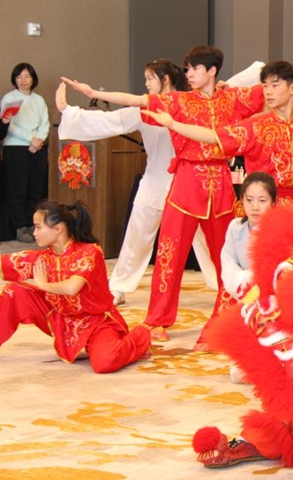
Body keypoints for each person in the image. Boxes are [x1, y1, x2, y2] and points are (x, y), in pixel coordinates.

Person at [62, 45, 265, 350]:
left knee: (228, 256)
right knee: (169, 255)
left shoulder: (233, 98)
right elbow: (138, 101)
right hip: (185, 184)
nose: (189, 74)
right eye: (187, 69)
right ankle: (157, 319)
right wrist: (93, 92)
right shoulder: (179, 101)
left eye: (195, 68)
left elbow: (270, 87)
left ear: (211, 71)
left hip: (221, 185)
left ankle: (225, 319)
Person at [56, 59, 218, 307]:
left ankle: (225, 286)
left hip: (189, 180)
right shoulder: (146, 108)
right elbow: (111, 120)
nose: (146, 83)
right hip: (155, 179)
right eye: (145, 79)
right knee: (137, 235)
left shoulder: (190, 104)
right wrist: (69, 112)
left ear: (165, 79)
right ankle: (119, 287)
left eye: (150, 78)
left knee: (205, 238)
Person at [142, 61, 293, 207]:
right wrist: (174, 124)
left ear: (292, 89)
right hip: (264, 206)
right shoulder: (255, 126)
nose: (268, 92)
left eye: (275, 85)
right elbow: (213, 136)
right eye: (265, 86)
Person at [0, 201, 151, 373]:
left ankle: (141, 335)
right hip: (61, 318)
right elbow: (5, 263)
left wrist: (43, 284)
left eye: (38, 227)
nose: (34, 233)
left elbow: (72, 287)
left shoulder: (89, 252)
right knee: (14, 291)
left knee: (105, 362)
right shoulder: (43, 257)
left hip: (96, 322)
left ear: (58, 229)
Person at [215, 172, 276, 378]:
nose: (255, 207)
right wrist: (244, 281)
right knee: (238, 374)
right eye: (249, 200)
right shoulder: (235, 228)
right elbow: (228, 262)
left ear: (273, 202)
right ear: (242, 200)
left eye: (262, 201)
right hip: (245, 297)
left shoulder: (279, 230)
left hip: (272, 303)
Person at [1, 63, 50, 243]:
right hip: (16, 148)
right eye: (19, 77)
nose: (23, 80)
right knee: (18, 189)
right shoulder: (9, 98)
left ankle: (33, 224)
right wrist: (31, 139)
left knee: (35, 189)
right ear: (14, 79)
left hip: (37, 148)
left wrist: (39, 141)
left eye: (27, 76)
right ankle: (20, 226)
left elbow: (45, 123)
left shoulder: (39, 100)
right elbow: (9, 125)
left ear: (33, 79)